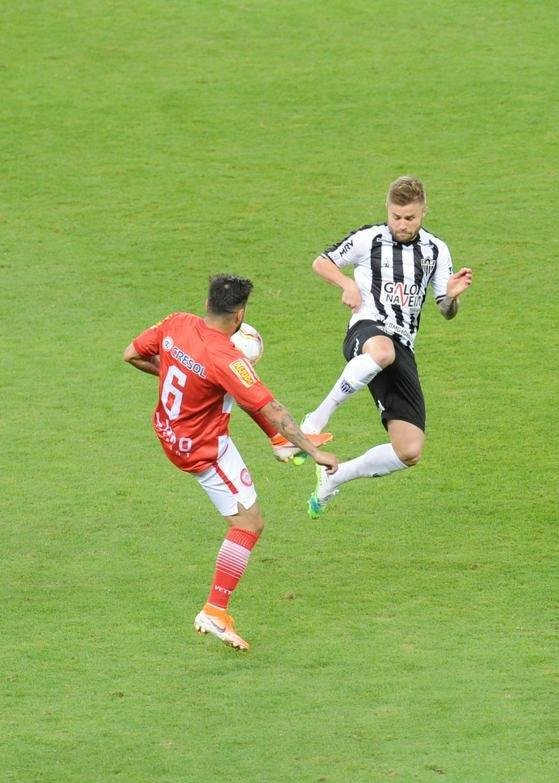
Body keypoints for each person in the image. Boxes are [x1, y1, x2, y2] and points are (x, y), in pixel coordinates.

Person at [123, 274, 339, 651]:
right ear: (239, 315)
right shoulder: (224, 358)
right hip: (202, 448)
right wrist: (314, 450)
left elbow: (132, 353)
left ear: (208, 304)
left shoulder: (176, 322)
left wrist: (190, 378)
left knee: (230, 393)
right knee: (248, 523)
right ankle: (214, 611)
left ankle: (278, 443)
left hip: (168, 428)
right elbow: (270, 406)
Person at [301, 176, 473, 518]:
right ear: (387, 210)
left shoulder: (436, 250)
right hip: (367, 331)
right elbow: (322, 261)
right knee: (381, 351)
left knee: (409, 451)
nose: (402, 224)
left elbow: (444, 310)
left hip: (403, 345)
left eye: (409, 217)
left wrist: (451, 298)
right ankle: (313, 422)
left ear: (423, 211)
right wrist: (346, 282)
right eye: (396, 216)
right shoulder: (369, 239)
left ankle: (335, 477)